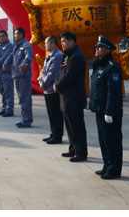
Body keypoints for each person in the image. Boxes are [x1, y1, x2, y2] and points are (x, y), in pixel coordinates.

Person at [90, 35, 124, 179]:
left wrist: (109, 111)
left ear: (107, 50)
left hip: (109, 111)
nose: (97, 49)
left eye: (100, 47)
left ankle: (114, 170)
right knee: (104, 141)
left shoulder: (112, 67)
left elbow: (113, 92)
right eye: (96, 47)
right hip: (100, 109)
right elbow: (97, 88)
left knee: (112, 141)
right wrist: (92, 104)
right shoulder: (99, 65)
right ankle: (106, 165)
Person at [55, 31, 88, 162]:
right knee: (69, 126)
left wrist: (58, 85)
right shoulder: (67, 55)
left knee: (76, 126)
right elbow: (60, 72)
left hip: (74, 97)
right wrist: (56, 83)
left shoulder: (77, 56)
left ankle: (81, 152)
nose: (62, 44)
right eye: (61, 41)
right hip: (66, 97)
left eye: (64, 41)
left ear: (72, 42)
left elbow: (70, 76)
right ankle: (73, 148)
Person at [4, 28, 34, 128]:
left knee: (25, 98)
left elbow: (29, 55)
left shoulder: (26, 45)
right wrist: (6, 62)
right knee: (21, 99)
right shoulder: (17, 46)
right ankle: (24, 118)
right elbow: (11, 56)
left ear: (21, 35)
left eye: (16, 34)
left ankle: (27, 120)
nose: (15, 36)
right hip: (17, 75)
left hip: (23, 75)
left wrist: (25, 63)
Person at [39, 36, 64, 144]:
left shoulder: (58, 56)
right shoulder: (49, 55)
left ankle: (57, 135)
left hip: (53, 89)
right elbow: (43, 71)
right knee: (51, 113)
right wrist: (41, 82)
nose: (45, 45)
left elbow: (53, 73)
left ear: (53, 44)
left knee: (56, 114)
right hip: (47, 89)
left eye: (46, 43)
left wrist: (44, 83)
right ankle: (53, 133)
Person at [0, 30, 14, 117]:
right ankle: (4, 108)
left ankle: (9, 109)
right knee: (2, 92)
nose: (1, 38)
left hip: (6, 72)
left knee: (8, 92)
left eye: (3, 36)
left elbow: (5, 57)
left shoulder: (10, 46)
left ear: (6, 36)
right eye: (0, 36)